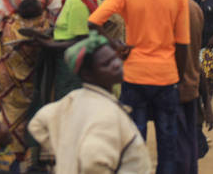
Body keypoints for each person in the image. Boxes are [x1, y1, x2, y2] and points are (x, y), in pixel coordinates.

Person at [88, 0, 190, 173]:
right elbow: (182, 43)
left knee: (134, 141)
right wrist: (180, 78)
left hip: (133, 74)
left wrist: (114, 44)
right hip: (166, 76)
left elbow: (93, 22)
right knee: (167, 143)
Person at [28, 32, 151, 174]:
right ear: (87, 74)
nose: (116, 65)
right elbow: (92, 162)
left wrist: (67, 152)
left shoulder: (74, 98)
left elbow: (37, 124)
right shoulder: (106, 114)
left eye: (114, 58)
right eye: (106, 64)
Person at [0, 0, 62, 158]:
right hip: (38, 53)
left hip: (10, 55)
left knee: (8, 101)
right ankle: (33, 153)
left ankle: (10, 152)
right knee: (35, 98)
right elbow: (56, 18)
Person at [160, 0, 213, 173]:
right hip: (189, 88)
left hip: (167, 86)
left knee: (172, 149)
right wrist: (206, 105)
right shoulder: (194, 9)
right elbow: (194, 59)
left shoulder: (160, 7)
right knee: (188, 150)